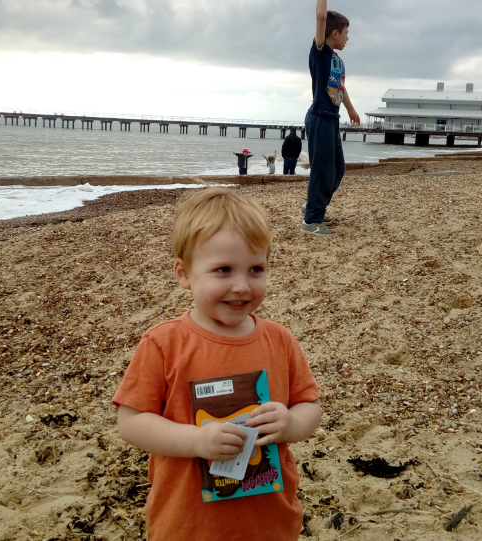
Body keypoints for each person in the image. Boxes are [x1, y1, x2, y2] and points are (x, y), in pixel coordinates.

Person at [113, 188, 322, 541]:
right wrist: (196, 440)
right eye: (223, 270)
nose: (241, 286)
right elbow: (131, 422)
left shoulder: (279, 340)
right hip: (188, 522)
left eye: (256, 269)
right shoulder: (165, 343)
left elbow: (310, 406)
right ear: (184, 274)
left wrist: (289, 424)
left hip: (268, 519)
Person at [301, 0, 360, 237]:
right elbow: (321, 18)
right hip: (319, 117)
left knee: (337, 170)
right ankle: (311, 221)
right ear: (334, 34)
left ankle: (313, 206)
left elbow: (340, 89)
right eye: (346, 33)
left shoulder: (337, 60)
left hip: (331, 118)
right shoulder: (321, 52)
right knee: (322, 171)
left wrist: (351, 111)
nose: (348, 38)